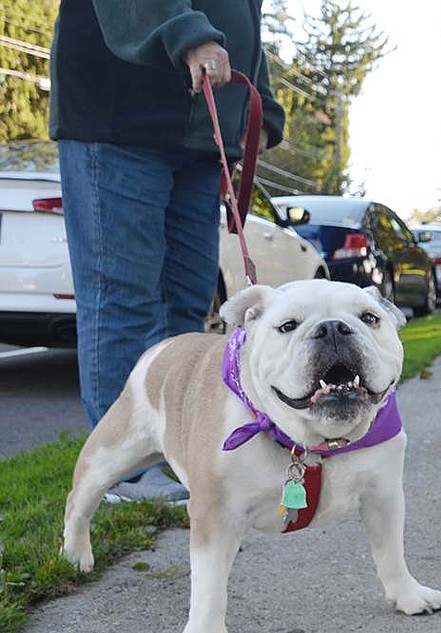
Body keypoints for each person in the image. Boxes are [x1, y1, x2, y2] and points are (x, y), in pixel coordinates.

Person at [50, 0, 285, 501]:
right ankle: (120, 475)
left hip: (200, 131)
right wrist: (187, 34)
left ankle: (178, 458)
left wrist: (260, 103)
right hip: (117, 117)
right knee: (122, 300)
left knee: (184, 304)